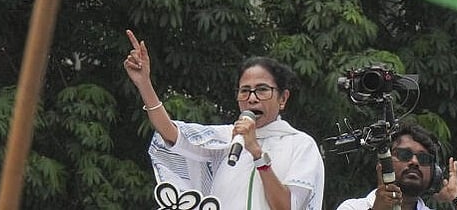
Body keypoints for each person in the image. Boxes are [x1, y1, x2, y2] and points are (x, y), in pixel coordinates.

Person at [123, 29, 325, 210]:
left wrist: (257, 154)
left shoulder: (300, 145)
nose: (252, 98)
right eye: (245, 91)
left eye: (262, 90)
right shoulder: (226, 139)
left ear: (283, 98)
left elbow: (287, 208)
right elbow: (170, 134)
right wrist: (144, 83)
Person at [335, 123, 457, 210]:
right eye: (404, 155)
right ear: (383, 164)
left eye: (423, 159)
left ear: (434, 174)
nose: (414, 162)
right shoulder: (352, 208)